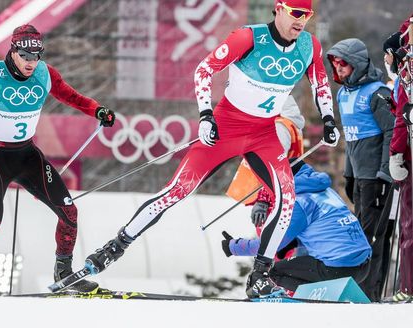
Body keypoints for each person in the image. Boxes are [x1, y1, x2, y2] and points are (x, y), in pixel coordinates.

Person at [82, 0, 340, 298]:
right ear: (279, 9)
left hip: (263, 134)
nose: (302, 21)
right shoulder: (248, 37)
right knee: (177, 191)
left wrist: (329, 119)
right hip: (226, 128)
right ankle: (117, 246)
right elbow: (204, 70)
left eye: (306, 15)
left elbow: (321, 84)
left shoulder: (309, 46)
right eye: (296, 13)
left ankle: (259, 275)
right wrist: (205, 115)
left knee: (287, 199)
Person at [0, 24, 116, 295]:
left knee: (69, 213)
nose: (31, 62)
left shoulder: (45, 74)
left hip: (27, 155)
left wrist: (98, 110)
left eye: (37, 56)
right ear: (13, 51)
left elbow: (73, 97)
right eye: (25, 56)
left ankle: (64, 272)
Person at [220, 160, 371, 294]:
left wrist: (233, 247)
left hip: (338, 267)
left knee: (275, 271)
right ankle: (320, 297)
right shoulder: (327, 192)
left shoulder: (300, 202)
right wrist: (293, 242)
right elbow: (324, 230)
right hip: (363, 266)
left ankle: (310, 301)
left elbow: (269, 245)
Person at [325, 38, 394, 301]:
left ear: (356, 63)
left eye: (343, 63)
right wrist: (348, 175)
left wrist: (386, 172)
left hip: (377, 177)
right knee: (361, 236)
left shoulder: (378, 93)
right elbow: (350, 139)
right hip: (360, 177)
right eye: (335, 64)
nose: (339, 69)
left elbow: (391, 132)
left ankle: (369, 294)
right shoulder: (343, 94)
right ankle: (362, 291)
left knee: (373, 237)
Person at [226, 95, 305, 206]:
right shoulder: (289, 124)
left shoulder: (279, 126)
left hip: (260, 191)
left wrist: (264, 198)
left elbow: (274, 164)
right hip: (268, 190)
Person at [386, 13, 413, 303]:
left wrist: (396, 153)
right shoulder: (403, 75)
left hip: (408, 154)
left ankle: (410, 285)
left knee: (410, 224)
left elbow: (401, 117)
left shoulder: (406, 72)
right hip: (407, 151)